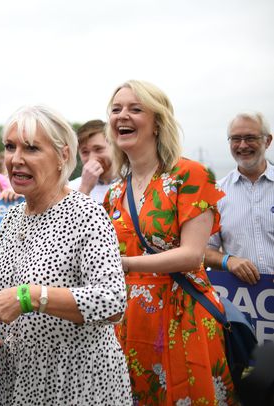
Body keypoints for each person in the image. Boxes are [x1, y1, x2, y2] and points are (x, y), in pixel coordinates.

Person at [0, 105, 130, 405]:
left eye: (31, 148)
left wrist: (31, 296)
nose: (16, 159)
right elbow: (3, 292)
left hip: (78, 383)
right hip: (21, 379)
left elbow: (112, 302)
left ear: (63, 157)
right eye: (10, 147)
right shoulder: (12, 219)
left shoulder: (86, 214)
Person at [104, 80, 236, 404]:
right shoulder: (114, 193)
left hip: (184, 314)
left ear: (157, 123)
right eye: (117, 108)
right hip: (131, 321)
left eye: (136, 109)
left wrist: (125, 265)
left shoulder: (191, 175)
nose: (124, 115)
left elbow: (192, 255)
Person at [205, 112, 273, 284]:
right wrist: (228, 261)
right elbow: (203, 251)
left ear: (268, 141)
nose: (242, 145)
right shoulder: (216, 193)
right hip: (241, 301)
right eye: (236, 139)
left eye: (250, 138)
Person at [68, 119, 115, 203]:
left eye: (98, 149)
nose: (92, 158)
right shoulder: (70, 188)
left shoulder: (133, 183)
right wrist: (85, 188)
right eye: (85, 152)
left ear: (114, 146)